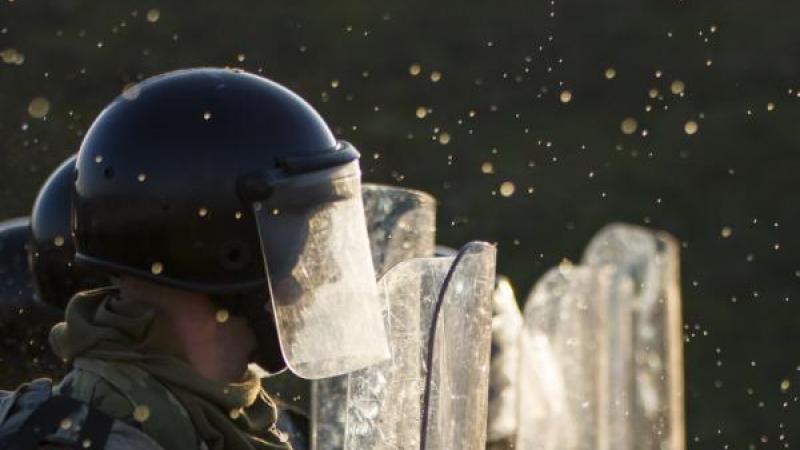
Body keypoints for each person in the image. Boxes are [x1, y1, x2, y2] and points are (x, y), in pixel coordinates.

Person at [0, 68, 390, 450]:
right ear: (224, 248)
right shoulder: (73, 440)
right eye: (294, 236)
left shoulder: (254, 428)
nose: (320, 273)